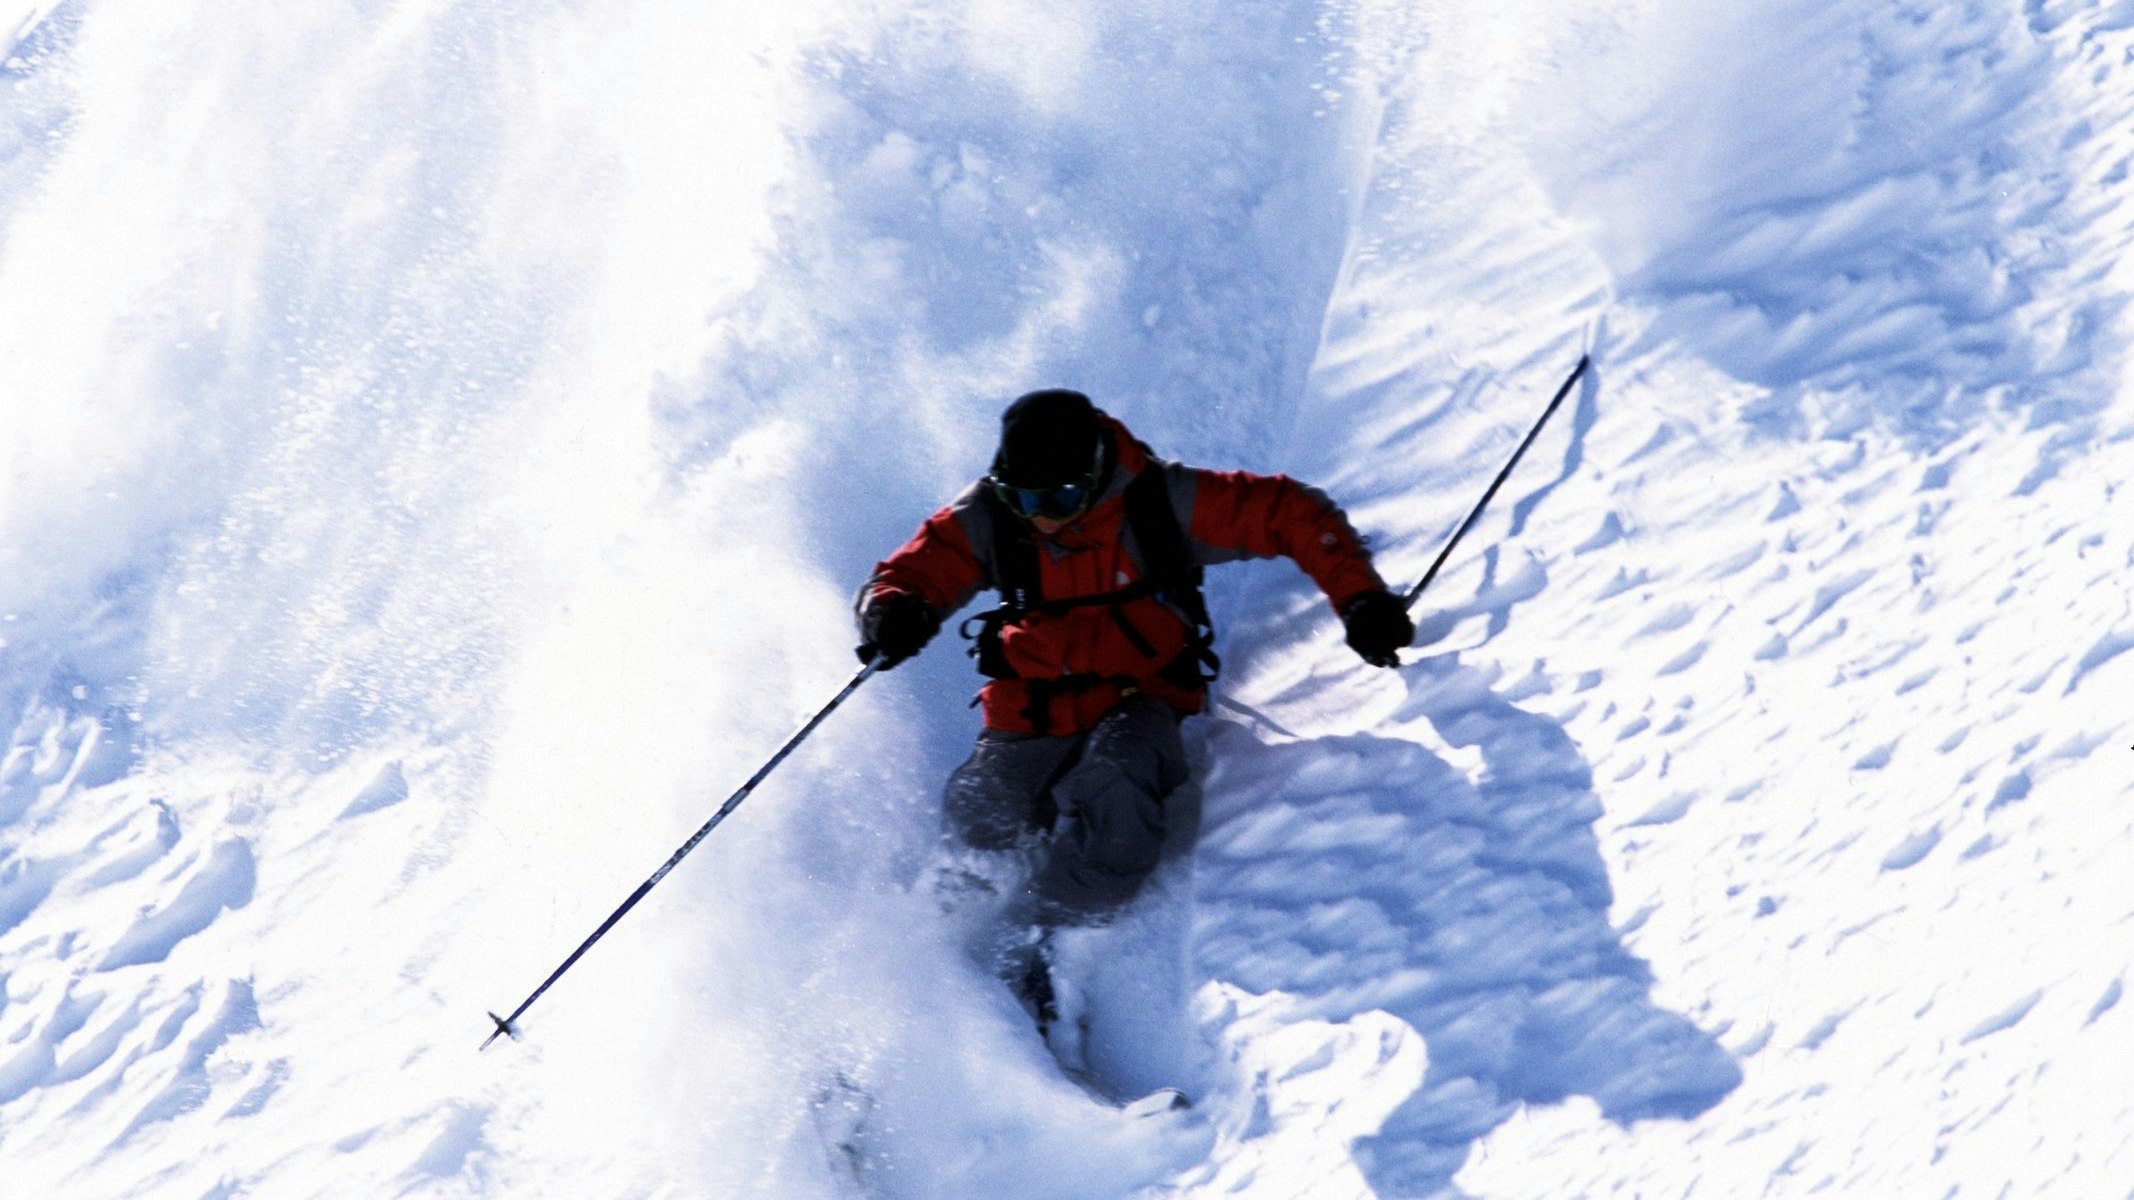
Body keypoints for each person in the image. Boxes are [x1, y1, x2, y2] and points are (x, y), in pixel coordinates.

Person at [854, 389, 1413, 1041]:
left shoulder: (1160, 503)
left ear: (1094, 475)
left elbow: (1289, 513)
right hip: (1035, 699)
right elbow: (913, 571)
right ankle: (939, 938)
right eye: (1024, 503)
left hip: (1140, 695)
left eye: (1058, 502)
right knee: (986, 800)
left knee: (1117, 782)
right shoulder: (992, 515)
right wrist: (894, 611)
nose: (1041, 521)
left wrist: (1360, 601)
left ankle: (1054, 937)